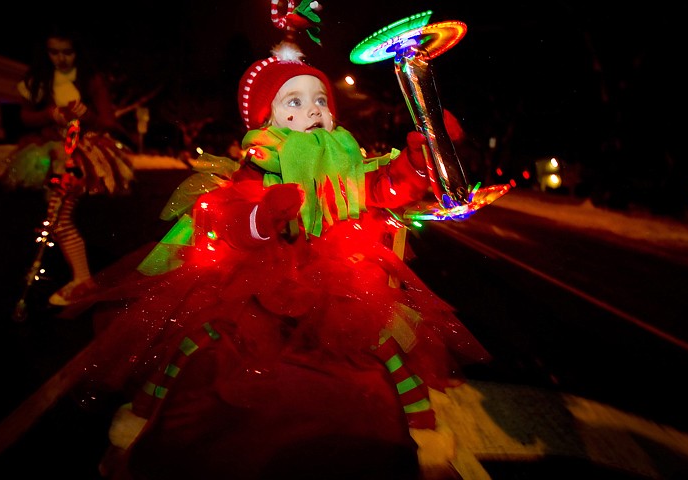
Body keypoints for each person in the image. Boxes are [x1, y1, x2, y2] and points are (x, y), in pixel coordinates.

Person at [83, 39, 490, 480]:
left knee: (387, 347)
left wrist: (422, 156)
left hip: (338, 270)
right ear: (268, 117)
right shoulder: (260, 162)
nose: (313, 109)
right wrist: (262, 215)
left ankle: (429, 445)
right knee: (197, 340)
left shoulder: (346, 158)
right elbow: (232, 214)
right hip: (260, 272)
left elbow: (386, 187)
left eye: (320, 100)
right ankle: (135, 429)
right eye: (295, 101)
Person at [1, 25, 134, 306]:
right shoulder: (38, 79)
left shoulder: (90, 79)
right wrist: (50, 114)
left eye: (67, 52)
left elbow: (108, 121)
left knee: (59, 218)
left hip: (81, 153)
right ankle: (80, 277)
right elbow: (25, 116)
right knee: (57, 216)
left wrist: (88, 115)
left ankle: (83, 280)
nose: (61, 59)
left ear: (77, 51)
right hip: (50, 151)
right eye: (54, 52)